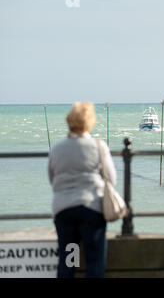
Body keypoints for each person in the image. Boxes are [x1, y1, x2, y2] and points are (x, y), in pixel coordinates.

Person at [48, 102, 116, 278]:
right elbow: (111, 178)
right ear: (90, 122)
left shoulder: (57, 148)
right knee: (94, 262)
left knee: (68, 261)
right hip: (91, 210)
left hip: (64, 211)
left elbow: (51, 178)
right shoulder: (98, 147)